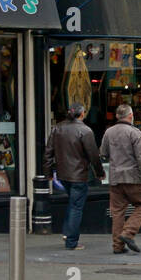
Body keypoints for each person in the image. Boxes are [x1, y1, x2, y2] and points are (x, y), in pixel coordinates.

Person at [43, 102, 104, 251]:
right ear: (82, 114)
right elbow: (93, 155)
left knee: (73, 203)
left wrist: (49, 173)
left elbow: (48, 153)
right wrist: (100, 172)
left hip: (63, 174)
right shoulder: (85, 130)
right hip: (78, 175)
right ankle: (71, 241)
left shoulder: (57, 128)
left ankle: (67, 232)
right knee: (76, 206)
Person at [100, 103, 141, 254]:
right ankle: (128, 233)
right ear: (131, 116)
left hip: (115, 178)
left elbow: (103, 153)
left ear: (117, 116)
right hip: (133, 178)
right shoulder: (135, 133)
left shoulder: (108, 132)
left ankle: (118, 246)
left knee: (117, 212)